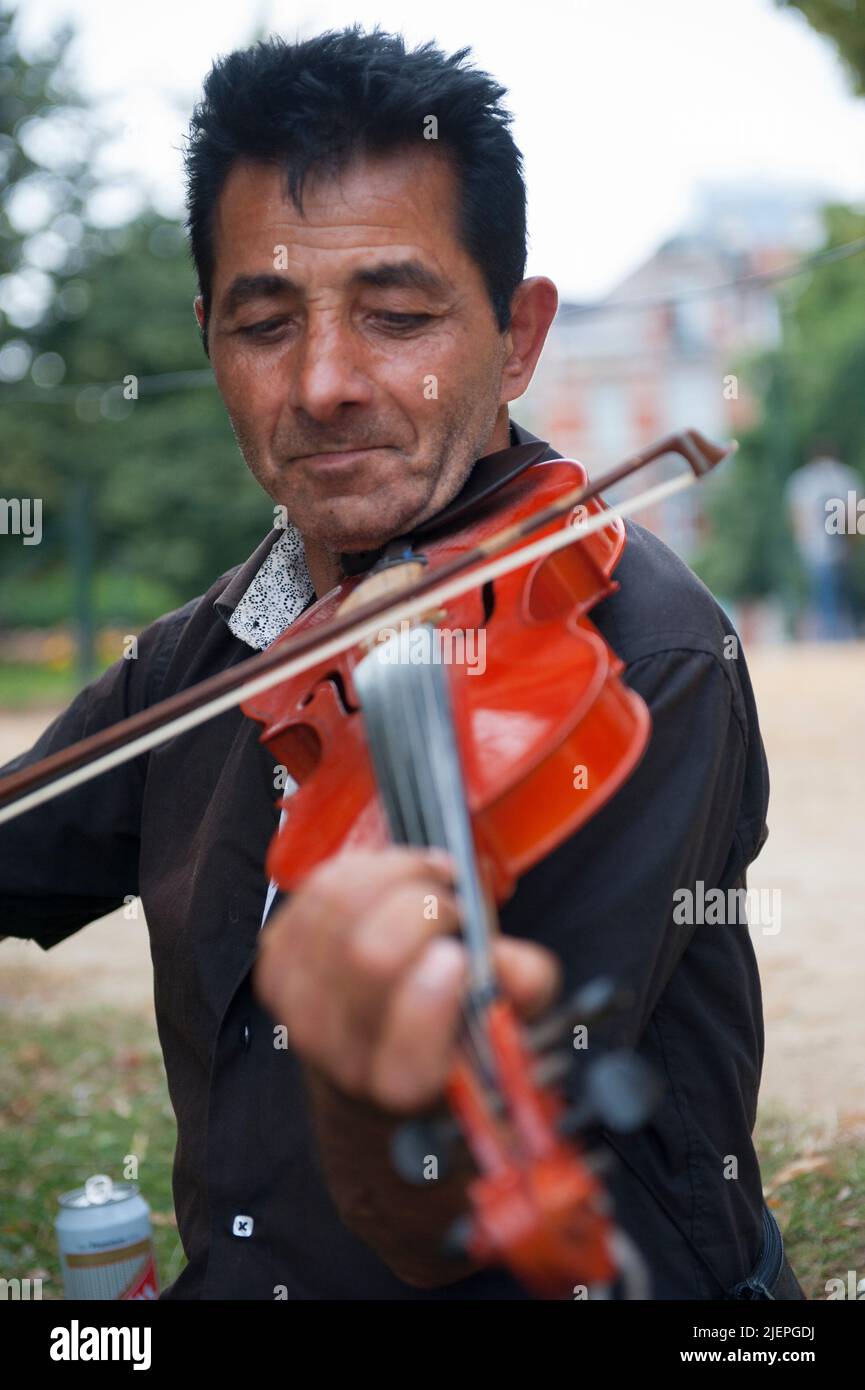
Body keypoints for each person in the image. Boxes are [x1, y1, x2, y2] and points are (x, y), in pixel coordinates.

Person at [0, 27, 805, 1300]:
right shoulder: (204, 652)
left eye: (397, 315)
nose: (324, 383)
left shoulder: (641, 656)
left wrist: (373, 1099)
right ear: (209, 338)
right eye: (266, 323)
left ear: (519, 337)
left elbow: (474, 1186)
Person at [785, 442, 860, 640]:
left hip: (816, 548)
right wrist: (852, 543)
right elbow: (855, 516)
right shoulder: (846, 477)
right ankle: (844, 632)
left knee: (823, 594)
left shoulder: (803, 480)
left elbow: (798, 517)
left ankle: (830, 635)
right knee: (842, 593)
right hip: (841, 546)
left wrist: (803, 544)